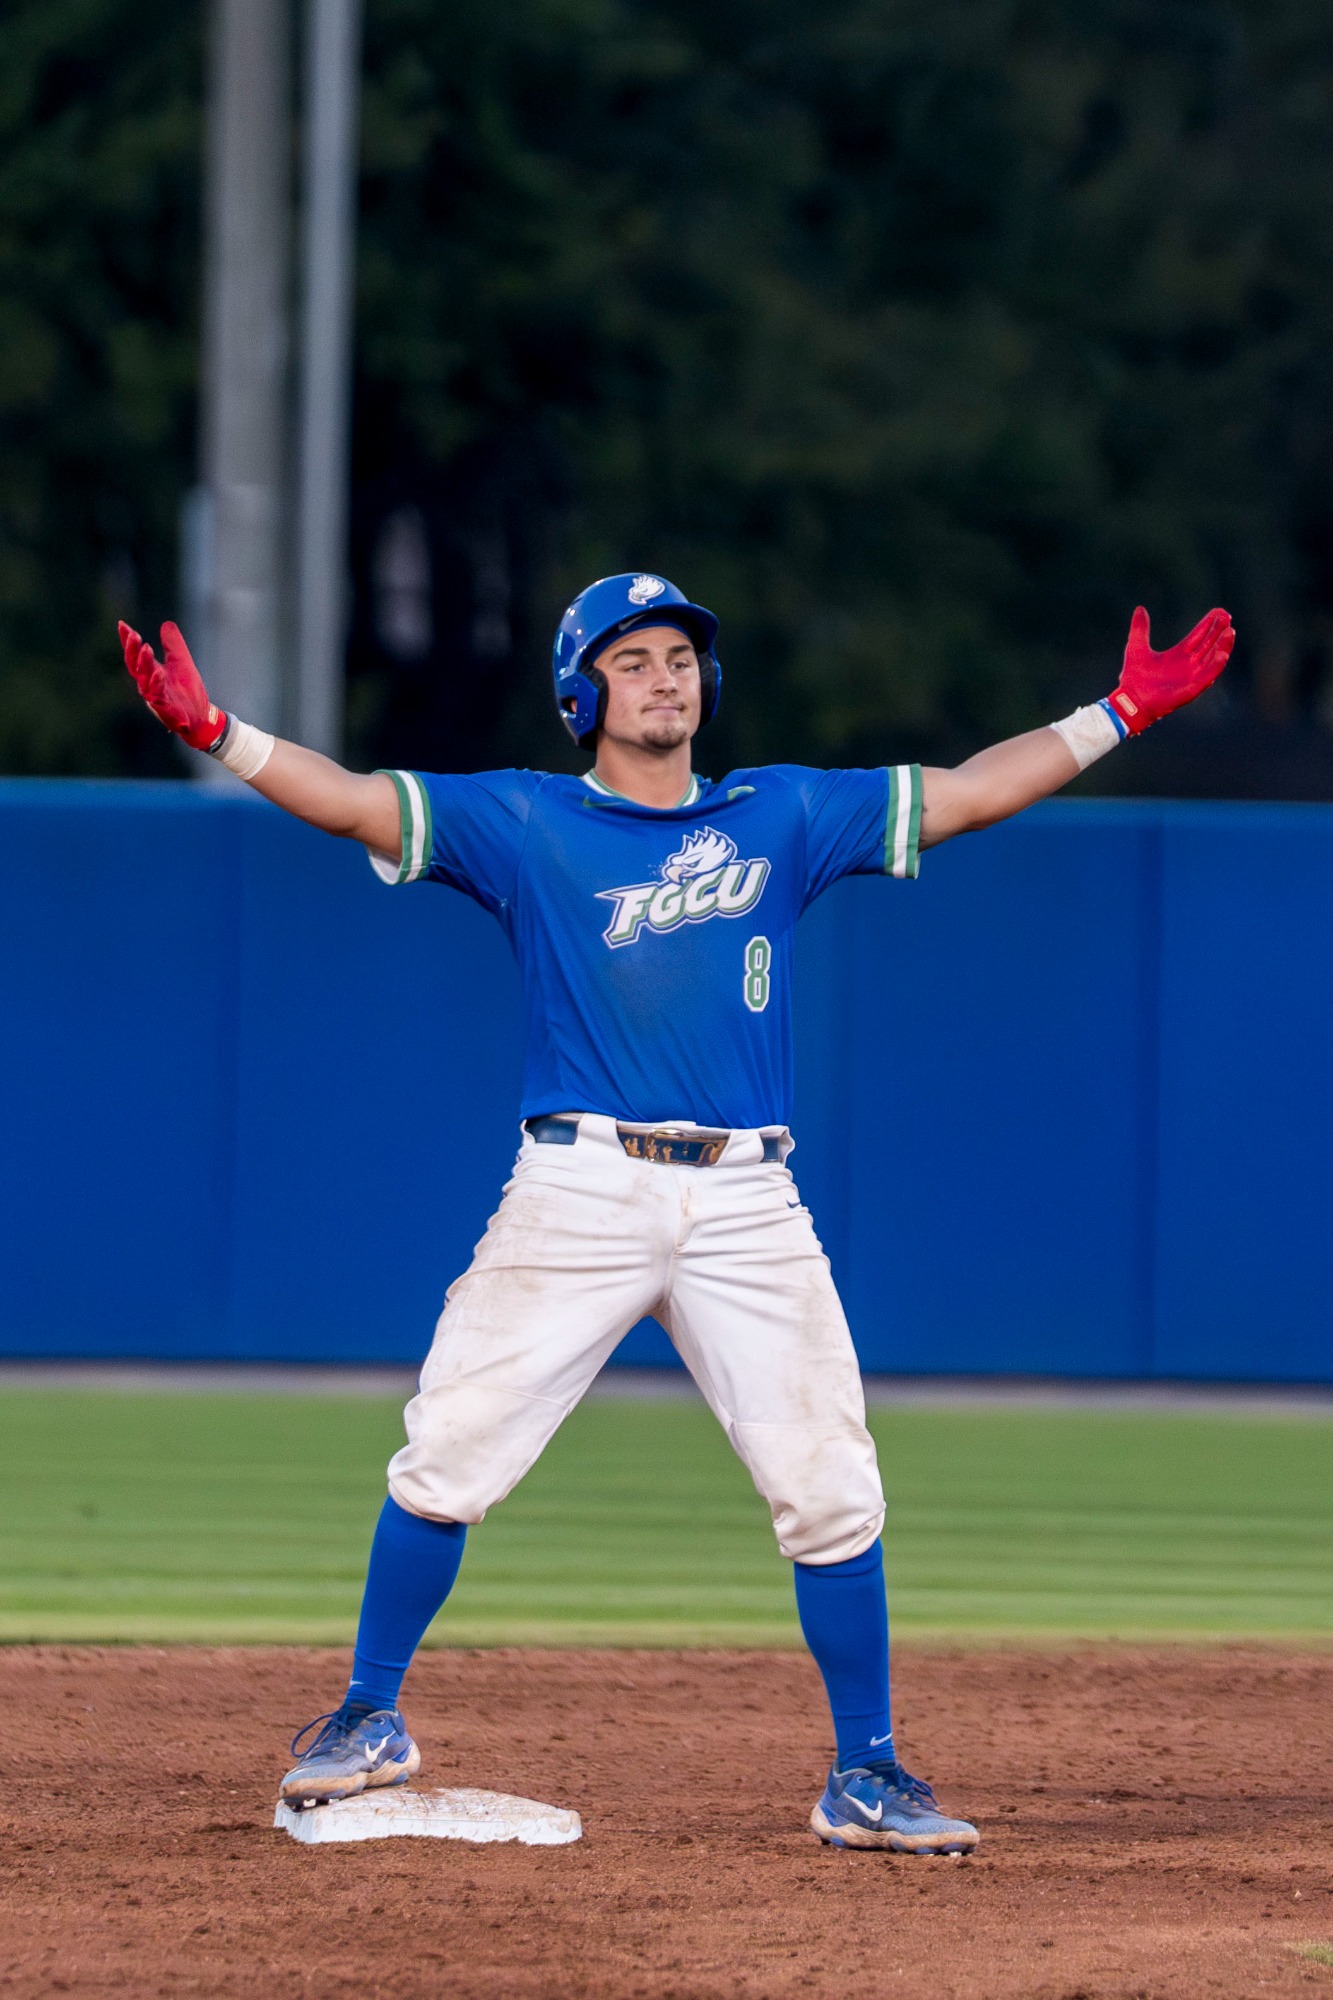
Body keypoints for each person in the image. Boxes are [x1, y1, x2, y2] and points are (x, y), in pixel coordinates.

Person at [118, 575, 1232, 1854]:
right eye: (633, 659)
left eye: (681, 656)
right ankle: (369, 1713)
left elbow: (973, 788)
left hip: (750, 1193)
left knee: (829, 1479)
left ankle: (864, 1771)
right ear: (581, 693)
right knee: (451, 1445)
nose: (666, 677)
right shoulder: (525, 820)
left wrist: (1119, 712)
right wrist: (219, 734)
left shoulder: (786, 810)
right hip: (579, 1178)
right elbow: (355, 799)